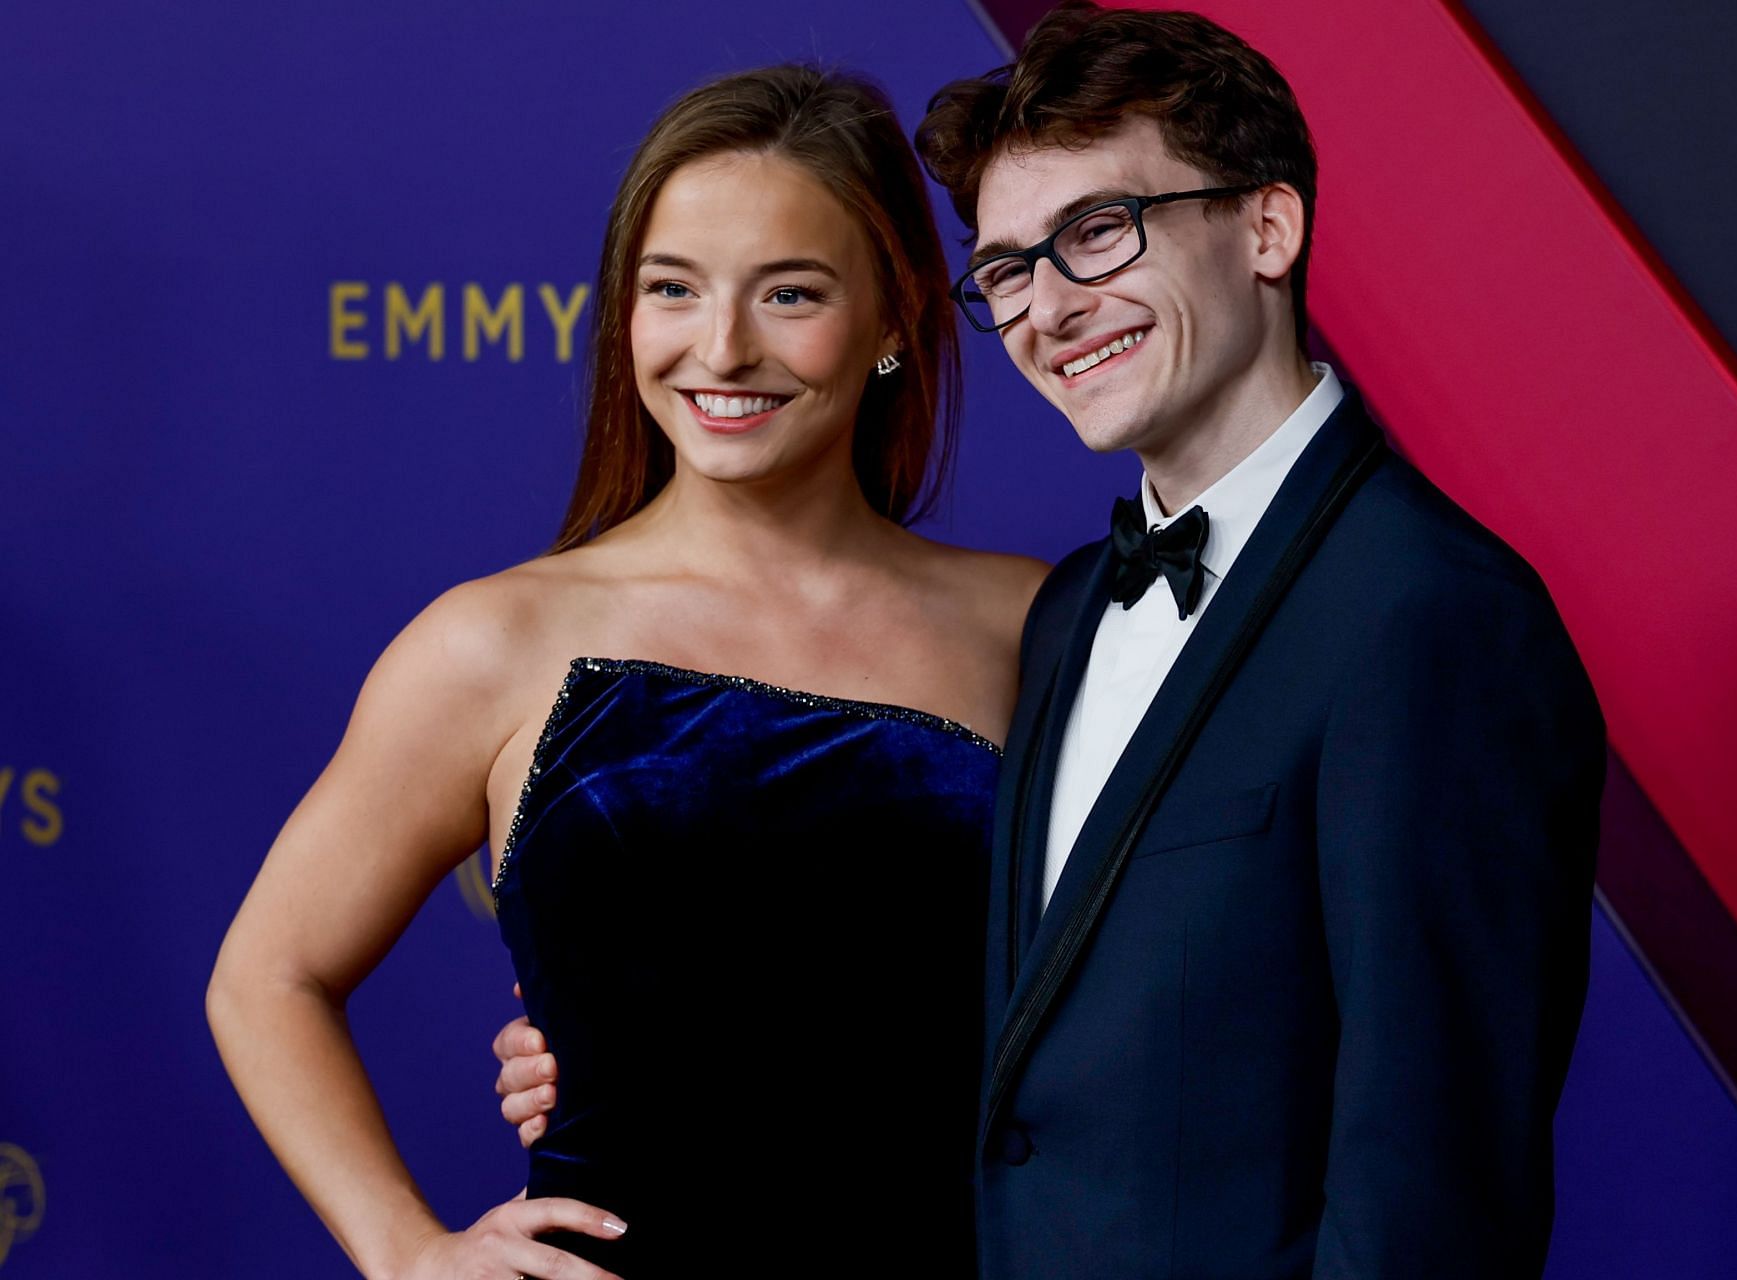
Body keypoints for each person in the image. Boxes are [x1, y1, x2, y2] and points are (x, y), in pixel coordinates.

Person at [499, 5, 1607, 1277]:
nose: (1052, 305)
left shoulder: (1433, 614)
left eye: (1099, 232)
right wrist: (636, 1025)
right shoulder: (1072, 607)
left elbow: (1434, 1190)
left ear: (1268, 226)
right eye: (1013, 265)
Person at [207, 65, 1044, 1279]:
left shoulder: (1032, 623)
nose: (723, 347)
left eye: (791, 292)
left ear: (897, 315)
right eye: (672, 290)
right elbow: (266, 974)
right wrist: (403, 1247)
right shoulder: (494, 641)